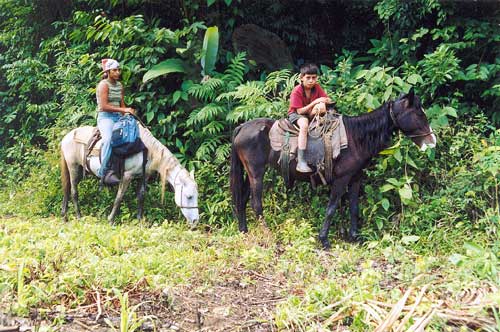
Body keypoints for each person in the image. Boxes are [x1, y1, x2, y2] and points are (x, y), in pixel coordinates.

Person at [96, 58, 136, 185]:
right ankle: (102, 172)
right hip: (106, 117)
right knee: (108, 139)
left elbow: (122, 104)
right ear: (108, 71)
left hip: (118, 117)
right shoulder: (103, 85)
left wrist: (128, 112)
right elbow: (103, 106)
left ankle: (124, 168)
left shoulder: (119, 86)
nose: (118, 72)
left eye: (119, 70)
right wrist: (122, 109)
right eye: (114, 70)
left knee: (133, 134)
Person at [288, 63, 332, 173]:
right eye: (308, 78)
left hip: (309, 113)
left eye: (314, 78)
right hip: (297, 114)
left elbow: (326, 99)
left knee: (322, 107)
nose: (311, 80)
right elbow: (300, 111)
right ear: (301, 78)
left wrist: (324, 101)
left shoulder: (316, 87)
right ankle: (301, 161)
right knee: (304, 124)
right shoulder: (297, 90)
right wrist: (316, 102)